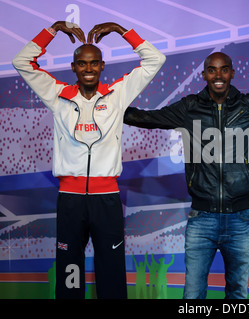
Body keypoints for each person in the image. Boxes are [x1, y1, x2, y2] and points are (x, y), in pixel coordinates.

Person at [124, 51, 249, 299]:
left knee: (237, 293)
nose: (218, 75)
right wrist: (111, 108)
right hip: (202, 218)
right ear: (204, 75)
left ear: (232, 73)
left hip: (240, 218)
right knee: (192, 294)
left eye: (224, 69)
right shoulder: (189, 107)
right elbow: (148, 118)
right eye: (212, 70)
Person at [12, 21, 166, 299]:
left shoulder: (117, 94)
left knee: (111, 270)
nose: (88, 69)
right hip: (70, 198)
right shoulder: (57, 94)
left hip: (106, 196)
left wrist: (122, 31)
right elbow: (21, 61)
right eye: (82, 64)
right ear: (73, 68)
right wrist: (52, 30)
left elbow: (155, 59)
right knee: (70, 268)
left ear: (102, 66)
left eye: (94, 63)